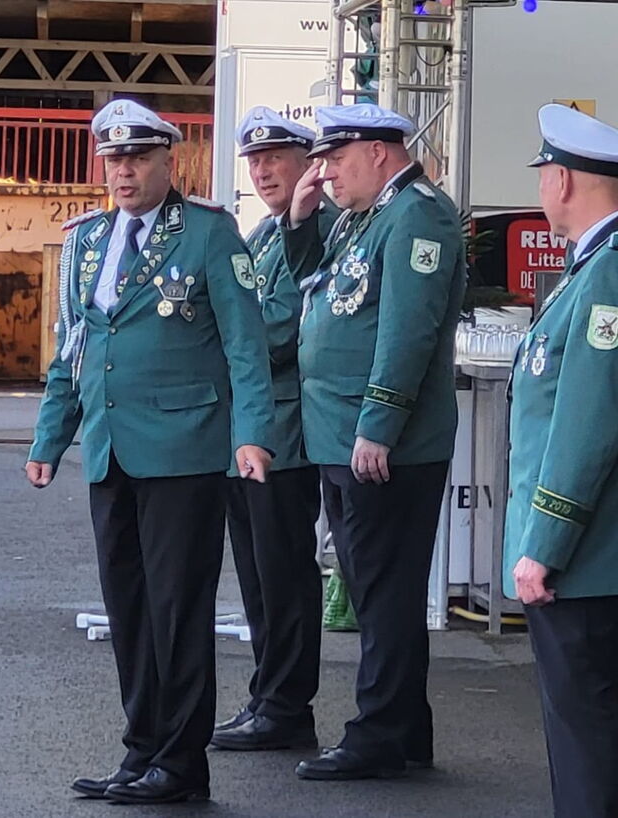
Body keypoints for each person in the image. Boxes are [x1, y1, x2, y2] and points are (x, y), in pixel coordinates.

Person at [25, 99, 275, 806]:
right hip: (111, 451)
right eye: (113, 160)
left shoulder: (209, 234)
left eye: (137, 158)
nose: (123, 172)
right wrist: (50, 438)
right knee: (129, 609)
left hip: (184, 452)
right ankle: (141, 749)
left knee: (178, 611)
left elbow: (246, 346)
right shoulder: (88, 240)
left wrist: (252, 433)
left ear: (170, 161)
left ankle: (181, 762)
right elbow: (72, 350)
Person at [283, 102, 466, 781]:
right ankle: (405, 728)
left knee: (384, 593)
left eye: (336, 158)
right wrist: (299, 221)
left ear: (379, 153)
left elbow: (408, 331)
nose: (326, 172)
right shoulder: (364, 216)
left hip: (382, 441)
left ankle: (379, 734)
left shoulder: (417, 215)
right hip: (341, 432)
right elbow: (318, 287)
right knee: (375, 588)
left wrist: (378, 425)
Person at [504, 102, 618, 818]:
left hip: (586, 561)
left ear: (565, 181)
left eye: (544, 172)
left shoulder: (606, 274)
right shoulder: (594, 269)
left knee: (587, 747)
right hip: (591, 556)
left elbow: (587, 425)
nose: (542, 185)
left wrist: (543, 545)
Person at [212, 106, 338, 753]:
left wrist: (216, 344)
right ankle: (268, 696)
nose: (262, 171)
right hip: (248, 428)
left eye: (274, 159)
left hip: (284, 431)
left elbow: (280, 329)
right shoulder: (264, 232)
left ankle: (286, 705)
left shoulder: (313, 229)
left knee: (283, 573)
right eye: (254, 161)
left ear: (306, 163)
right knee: (259, 576)